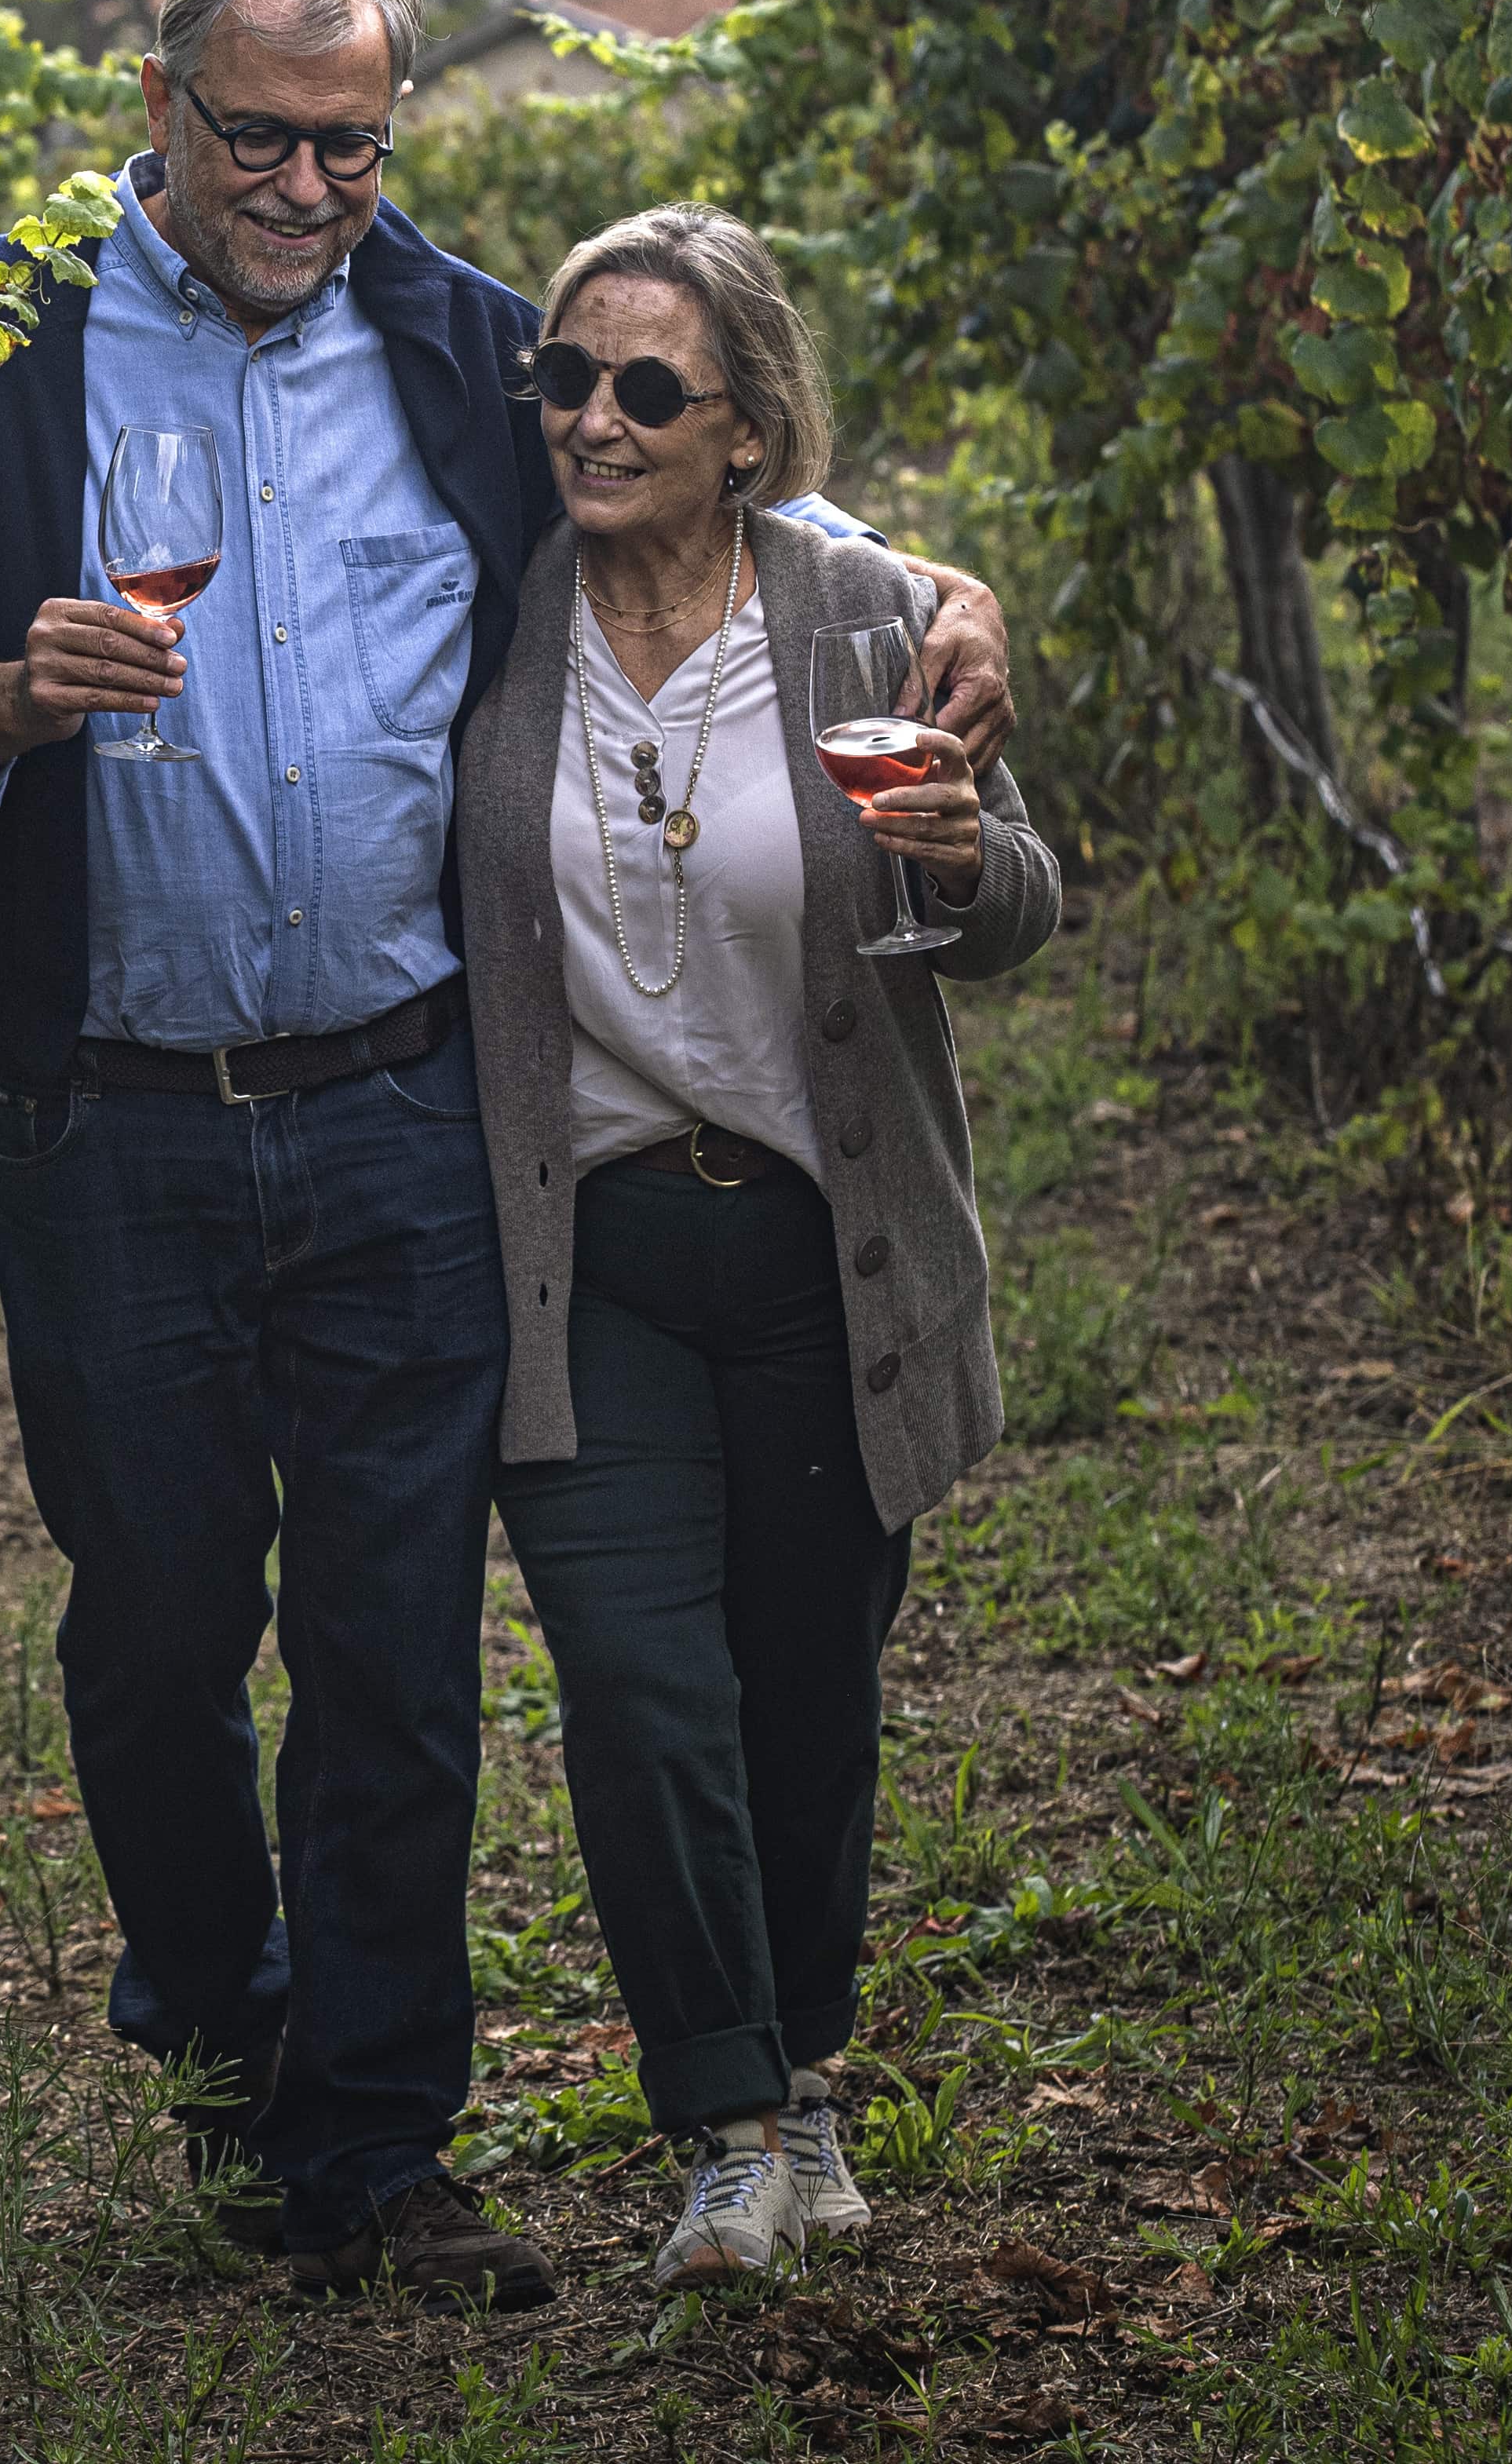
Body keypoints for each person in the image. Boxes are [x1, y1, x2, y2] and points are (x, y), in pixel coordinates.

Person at [0, 0, 1014, 2303]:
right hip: (115, 1122)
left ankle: (368, 2144)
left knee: (392, 1656)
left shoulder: (464, 343)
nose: (314, 190)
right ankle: (228, 2044)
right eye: (268, 138)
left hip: (398, 1111)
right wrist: (0, 708)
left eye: (357, 144)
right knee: (152, 1636)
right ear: (161, 106)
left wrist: (929, 578)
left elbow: (717, 482)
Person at [447, 202, 1062, 2285]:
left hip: (821, 1251)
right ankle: (718, 2115)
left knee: (808, 1689)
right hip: (592, 1246)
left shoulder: (862, 610)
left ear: (746, 428)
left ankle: (806, 2069)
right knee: (638, 1688)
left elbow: (1023, 903)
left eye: (646, 389)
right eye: (566, 379)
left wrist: (969, 863)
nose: (592, 420)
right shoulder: (490, 606)